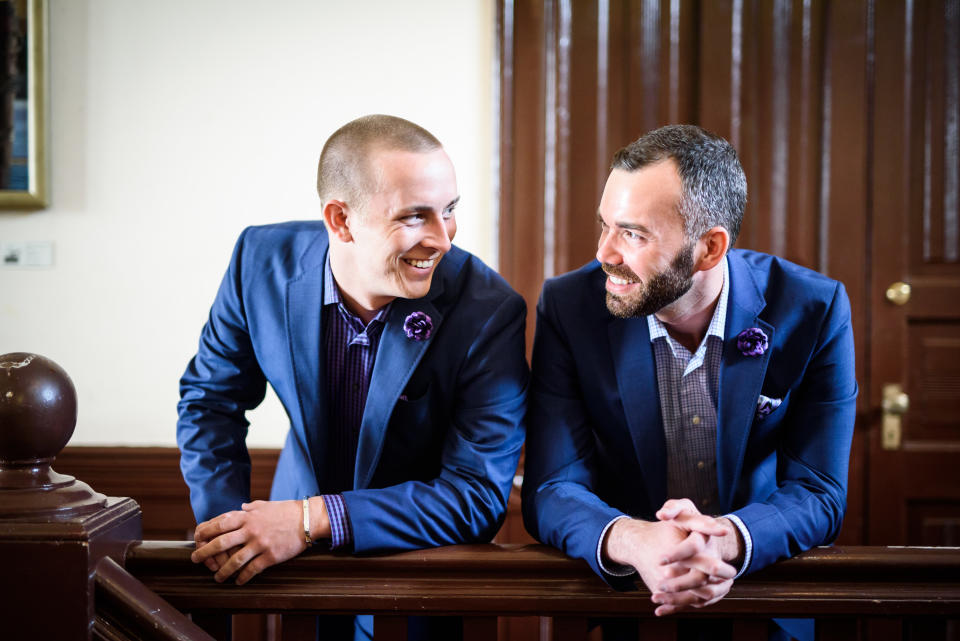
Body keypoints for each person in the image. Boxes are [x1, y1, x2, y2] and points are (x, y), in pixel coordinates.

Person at [177, 114, 527, 638]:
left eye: (449, 211)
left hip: (415, 577)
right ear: (341, 220)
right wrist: (231, 531)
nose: (443, 240)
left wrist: (309, 519)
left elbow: (475, 496)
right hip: (284, 577)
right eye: (415, 217)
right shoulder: (259, 262)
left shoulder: (488, 309)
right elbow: (209, 400)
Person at [521, 125, 856, 641]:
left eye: (632, 233)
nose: (604, 252)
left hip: (762, 599)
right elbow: (550, 487)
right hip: (625, 604)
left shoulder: (812, 309)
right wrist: (637, 541)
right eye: (604, 225)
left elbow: (819, 492)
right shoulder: (570, 307)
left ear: (709, 247)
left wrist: (723, 539)